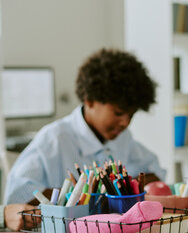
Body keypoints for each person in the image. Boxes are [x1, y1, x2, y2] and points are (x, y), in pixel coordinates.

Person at [4, 48, 166, 204]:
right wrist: (74, 197)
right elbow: (17, 193)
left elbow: (154, 172)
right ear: (90, 100)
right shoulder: (55, 139)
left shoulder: (122, 137)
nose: (125, 122)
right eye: (118, 113)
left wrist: (126, 187)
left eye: (131, 115)